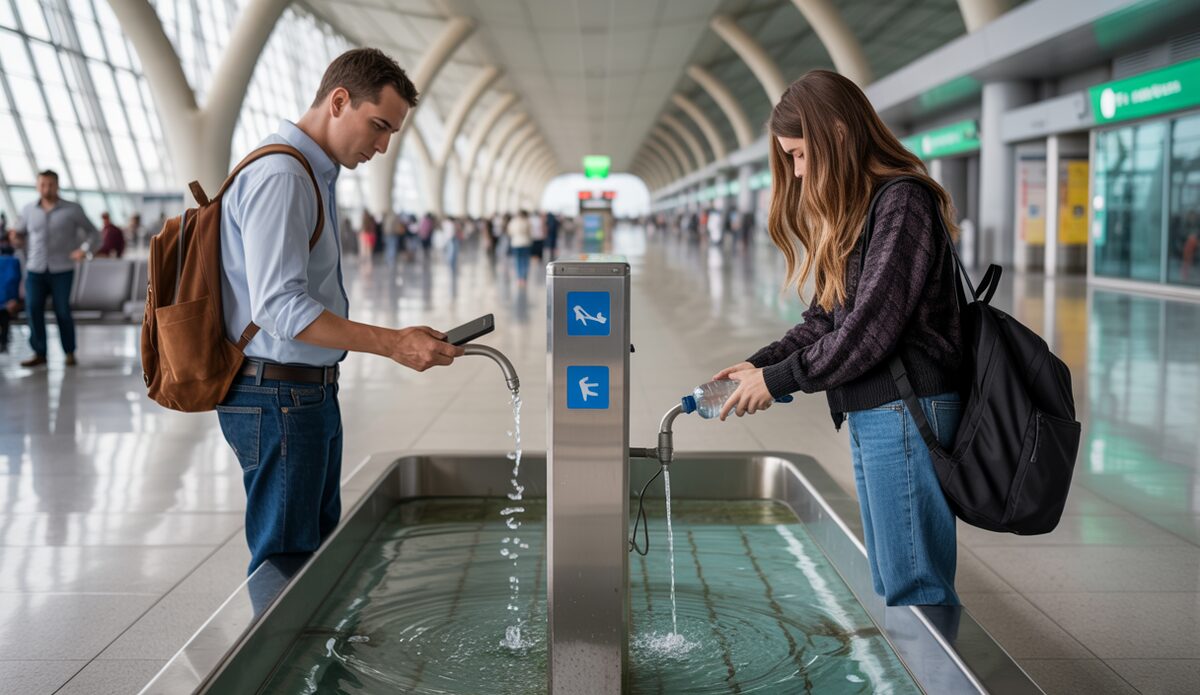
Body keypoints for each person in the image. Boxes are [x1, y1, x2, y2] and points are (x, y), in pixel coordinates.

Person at [712, 70, 964, 607]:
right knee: (897, 581)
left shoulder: (902, 203)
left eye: (801, 155)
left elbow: (870, 329)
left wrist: (779, 379)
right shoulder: (864, 207)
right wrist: (758, 365)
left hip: (906, 411)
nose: (798, 174)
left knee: (914, 587)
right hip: (879, 410)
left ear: (838, 134)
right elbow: (825, 319)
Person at [215, 48, 463, 575]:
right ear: (339, 100)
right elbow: (281, 306)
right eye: (378, 126)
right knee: (287, 561)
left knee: (311, 557)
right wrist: (393, 342)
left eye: (391, 133)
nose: (382, 145)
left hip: (302, 388)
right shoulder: (283, 174)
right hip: (278, 393)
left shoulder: (311, 173)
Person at [10, 170, 99, 368]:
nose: (46, 189)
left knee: (63, 311)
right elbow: (19, 235)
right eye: (42, 184)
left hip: (63, 270)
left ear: (57, 185)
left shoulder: (73, 209)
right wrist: (16, 238)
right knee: (33, 309)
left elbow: (94, 234)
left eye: (50, 184)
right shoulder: (28, 210)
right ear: (37, 186)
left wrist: (84, 251)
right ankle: (39, 352)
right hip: (35, 269)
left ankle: (69, 352)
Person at [506, 209, 533, 287]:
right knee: (525, 261)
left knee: (517, 261)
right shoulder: (527, 221)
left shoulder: (513, 222)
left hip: (516, 243)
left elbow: (509, 232)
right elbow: (530, 232)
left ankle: (519, 278)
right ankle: (524, 278)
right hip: (526, 243)